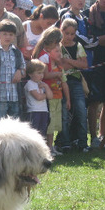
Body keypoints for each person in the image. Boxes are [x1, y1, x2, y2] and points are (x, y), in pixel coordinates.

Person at [32, 26, 70, 154]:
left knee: (52, 122)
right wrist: (57, 74)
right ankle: (46, 147)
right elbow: (46, 75)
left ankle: (50, 146)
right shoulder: (44, 56)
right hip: (46, 92)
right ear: (53, 42)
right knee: (47, 123)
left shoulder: (47, 55)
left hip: (53, 93)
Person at [85, 0, 105, 147]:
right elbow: (90, 42)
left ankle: (103, 135)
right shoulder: (88, 13)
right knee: (94, 101)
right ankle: (93, 136)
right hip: (92, 62)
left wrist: (100, 40)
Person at [59, 17, 89, 152]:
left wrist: (69, 62)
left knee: (81, 111)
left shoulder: (78, 46)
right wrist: (73, 63)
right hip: (61, 83)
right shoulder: (57, 46)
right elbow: (60, 65)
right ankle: (65, 142)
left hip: (75, 81)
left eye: (72, 34)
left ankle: (83, 142)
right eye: (67, 33)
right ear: (61, 31)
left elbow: (84, 64)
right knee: (64, 113)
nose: (69, 37)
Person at [0, 19, 26, 119]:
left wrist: (19, 72)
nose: (8, 37)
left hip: (15, 97)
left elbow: (23, 70)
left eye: (11, 34)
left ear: (14, 36)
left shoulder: (17, 52)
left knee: (14, 127)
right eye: (4, 34)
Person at [25, 59, 52, 139]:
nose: (41, 75)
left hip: (44, 111)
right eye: (39, 73)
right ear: (30, 74)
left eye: (42, 73)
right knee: (34, 131)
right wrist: (46, 94)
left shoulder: (42, 84)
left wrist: (46, 87)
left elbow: (50, 96)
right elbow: (38, 97)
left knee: (42, 131)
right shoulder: (30, 84)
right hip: (34, 111)